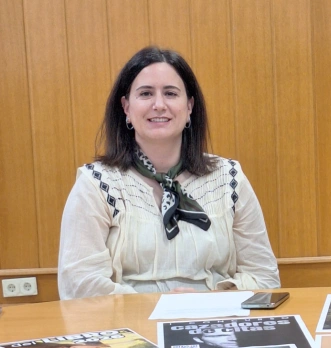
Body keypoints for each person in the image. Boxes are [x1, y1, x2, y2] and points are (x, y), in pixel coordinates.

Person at [58, 47, 280, 299]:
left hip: (214, 321)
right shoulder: (96, 185)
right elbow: (79, 285)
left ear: (189, 107)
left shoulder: (229, 178)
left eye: (171, 93)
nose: (159, 105)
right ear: (126, 107)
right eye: (145, 94)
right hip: (130, 329)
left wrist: (208, 299)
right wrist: (158, 306)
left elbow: (265, 277)